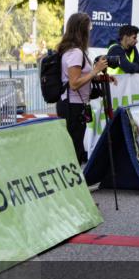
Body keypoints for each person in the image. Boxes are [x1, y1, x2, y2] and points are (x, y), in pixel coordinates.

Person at [56, 12, 111, 165]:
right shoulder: (75, 52)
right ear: (82, 30)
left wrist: (98, 77)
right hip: (72, 106)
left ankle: (76, 181)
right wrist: (95, 70)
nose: (90, 31)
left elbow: (78, 77)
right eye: (89, 27)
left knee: (76, 146)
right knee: (74, 147)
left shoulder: (73, 50)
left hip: (74, 104)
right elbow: (74, 83)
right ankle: (74, 182)